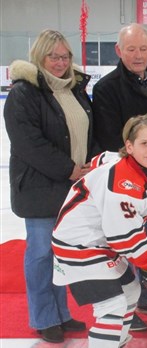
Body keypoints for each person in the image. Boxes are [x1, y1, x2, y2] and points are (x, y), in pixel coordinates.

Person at [52, 114, 147, 348]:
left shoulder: (133, 166)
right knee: (112, 306)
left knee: (131, 291)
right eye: (144, 144)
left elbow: (102, 159)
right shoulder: (124, 180)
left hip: (99, 243)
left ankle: (115, 343)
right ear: (129, 146)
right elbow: (125, 236)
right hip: (79, 245)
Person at [3, 29, 93, 343]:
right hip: (41, 187)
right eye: (53, 56)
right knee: (42, 254)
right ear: (39, 57)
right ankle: (43, 317)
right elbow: (29, 144)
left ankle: (61, 313)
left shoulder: (73, 89)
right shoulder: (24, 93)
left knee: (62, 255)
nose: (59, 62)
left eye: (65, 56)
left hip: (72, 187)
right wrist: (69, 169)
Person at [92, 23, 147, 329]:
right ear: (119, 51)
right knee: (125, 246)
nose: (138, 54)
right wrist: (138, 174)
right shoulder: (107, 89)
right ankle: (126, 306)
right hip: (125, 186)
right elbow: (109, 141)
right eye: (131, 49)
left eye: (144, 48)